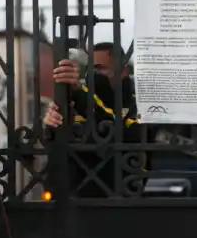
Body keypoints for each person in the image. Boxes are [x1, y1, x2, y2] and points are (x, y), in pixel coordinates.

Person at [44, 42, 142, 197]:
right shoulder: (80, 98)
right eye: (90, 68)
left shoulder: (137, 102)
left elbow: (122, 136)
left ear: (122, 72)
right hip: (76, 200)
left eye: (99, 68)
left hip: (121, 199)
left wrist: (79, 93)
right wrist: (53, 123)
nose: (93, 74)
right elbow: (59, 146)